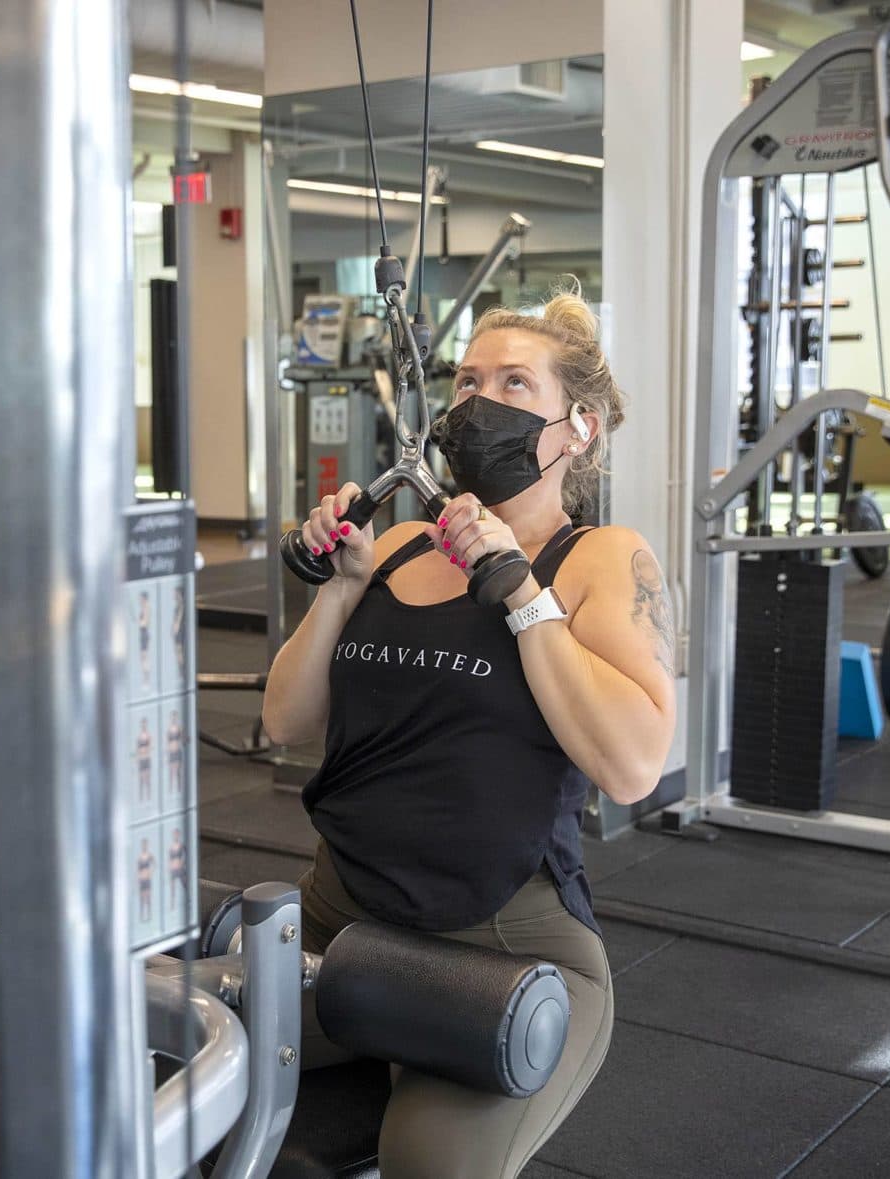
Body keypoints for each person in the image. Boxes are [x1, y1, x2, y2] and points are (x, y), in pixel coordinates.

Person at [260, 281, 675, 1179]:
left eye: (514, 384)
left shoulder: (601, 557)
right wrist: (337, 588)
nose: (477, 403)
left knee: (429, 1166)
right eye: (466, 381)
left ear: (581, 427)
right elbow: (285, 721)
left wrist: (522, 593)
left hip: (498, 945)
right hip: (338, 915)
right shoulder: (401, 546)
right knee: (184, 1084)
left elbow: (635, 765)